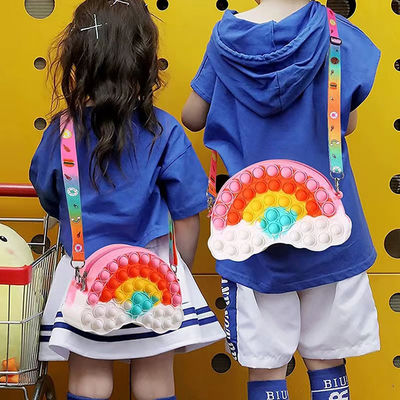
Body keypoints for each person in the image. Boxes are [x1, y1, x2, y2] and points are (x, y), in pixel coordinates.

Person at [182, 0, 380, 399]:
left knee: (266, 361)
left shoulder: (226, 40)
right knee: (327, 356)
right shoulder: (336, 35)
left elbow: (192, 116)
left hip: (252, 230)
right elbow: (347, 122)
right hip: (327, 223)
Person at [30, 1, 224, 400]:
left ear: (78, 59)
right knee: (154, 378)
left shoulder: (61, 133)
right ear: (145, 62)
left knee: (90, 378)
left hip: (85, 274)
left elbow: (49, 195)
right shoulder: (164, 131)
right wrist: (180, 270)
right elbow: (187, 215)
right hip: (151, 275)